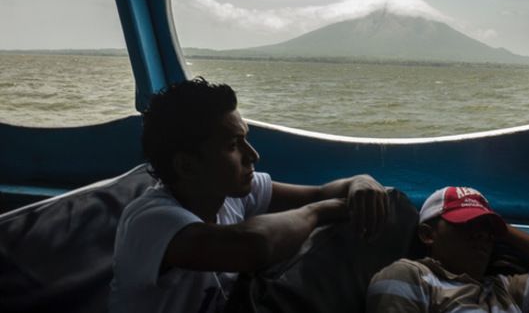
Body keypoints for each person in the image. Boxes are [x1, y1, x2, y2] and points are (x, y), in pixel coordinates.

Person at [108, 77, 388, 313]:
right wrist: (319, 212)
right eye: (233, 145)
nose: (253, 155)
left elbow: (318, 193)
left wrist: (359, 182)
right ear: (187, 165)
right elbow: (253, 246)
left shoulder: (232, 191)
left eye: (246, 139)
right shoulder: (149, 220)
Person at [367, 186, 529, 313]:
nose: (481, 235)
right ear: (428, 235)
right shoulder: (410, 277)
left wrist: (505, 231)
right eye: (466, 224)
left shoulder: (503, 289)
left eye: (486, 229)